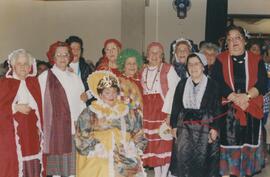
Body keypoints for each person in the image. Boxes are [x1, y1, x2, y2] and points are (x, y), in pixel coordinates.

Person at [211, 25, 267, 177]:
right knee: (228, 155)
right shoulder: (220, 59)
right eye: (230, 39)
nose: (234, 42)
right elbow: (216, 82)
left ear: (245, 41)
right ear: (226, 44)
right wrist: (235, 97)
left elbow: (263, 83)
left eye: (237, 38)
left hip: (250, 111)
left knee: (246, 155)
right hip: (228, 113)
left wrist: (246, 97)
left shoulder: (257, 60)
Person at [75, 70, 147, 177]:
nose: (111, 96)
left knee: (131, 167)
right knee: (101, 166)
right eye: (107, 93)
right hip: (99, 150)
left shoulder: (127, 110)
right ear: (100, 94)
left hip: (124, 149)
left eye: (114, 92)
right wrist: (95, 147)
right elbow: (81, 135)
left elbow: (139, 132)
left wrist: (134, 146)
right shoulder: (90, 112)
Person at [39, 41, 86, 177]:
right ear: (53, 57)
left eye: (65, 54)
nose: (62, 58)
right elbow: (41, 104)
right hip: (56, 128)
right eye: (58, 55)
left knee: (72, 168)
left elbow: (81, 100)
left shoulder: (75, 77)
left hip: (75, 125)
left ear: (69, 57)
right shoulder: (45, 77)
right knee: (57, 170)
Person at [169, 53, 221, 177]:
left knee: (203, 162)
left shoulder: (213, 85)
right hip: (184, 129)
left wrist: (214, 128)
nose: (193, 67)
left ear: (203, 66)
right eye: (190, 64)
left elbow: (217, 108)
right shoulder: (182, 84)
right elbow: (176, 106)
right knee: (184, 160)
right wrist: (174, 126)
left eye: (196, 64)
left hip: (204, 128)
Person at [0, 49, 44, 177]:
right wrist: (14, 107)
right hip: (13, 136)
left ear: (31, 67)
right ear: (13, 66)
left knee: (33, 168)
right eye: (19, 63)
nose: (23, 67)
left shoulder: (35, 83)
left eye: (26, 64)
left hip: (32, 136)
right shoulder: (4, 84)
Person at [141, 42, 180, 177]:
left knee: (165, 144)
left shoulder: (168, 69)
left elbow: (175, 91)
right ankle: (158, 175)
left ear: (162, 55)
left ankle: (165, 175)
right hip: (148, 112)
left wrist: (169, 114)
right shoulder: (143, 70)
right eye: (152, 52)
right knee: (154, 146)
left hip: (163, 109)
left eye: (158, 53)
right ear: (147, 55)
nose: (155, 55)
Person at [65, 35, 95, 105]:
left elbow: (94, 87)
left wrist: (88, 95)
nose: (75, 51)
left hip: (84, 105)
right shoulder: (62, 67)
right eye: (72, 49)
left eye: (78, 49)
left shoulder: (87, 67)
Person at [116, 48, 144, 113]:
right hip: (126, 115)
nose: (132, 66)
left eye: (134, 63)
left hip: (142, 115)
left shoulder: (142, 79)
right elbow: (119, 100)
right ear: (123, 65)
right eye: (129, 64)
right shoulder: (119, 81)